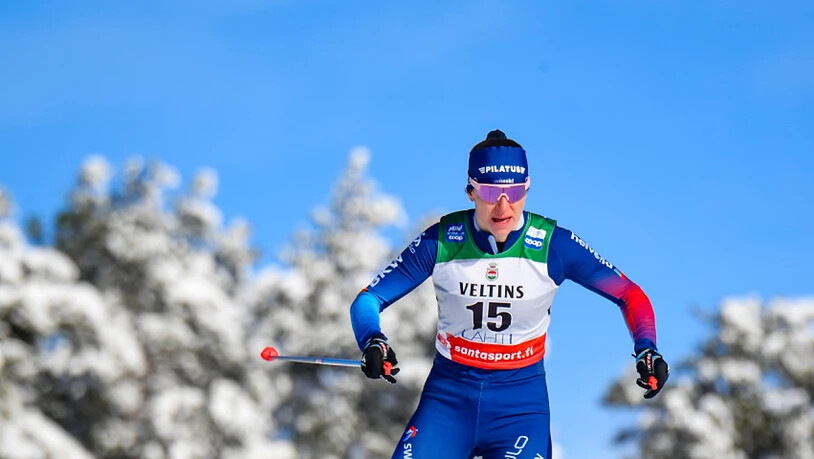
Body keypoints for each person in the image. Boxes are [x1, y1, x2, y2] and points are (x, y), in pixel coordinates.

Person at [349, 130, 669, 459]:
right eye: (490, 191)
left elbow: (630, 294)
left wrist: (647, 349)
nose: (503, 205)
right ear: (471, 191)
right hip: (448, 401)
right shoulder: (442, 241)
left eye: (514, 191)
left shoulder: (552, 245)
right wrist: (373, 339)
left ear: (526, 188)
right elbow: (368, 299)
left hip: (520, 408)